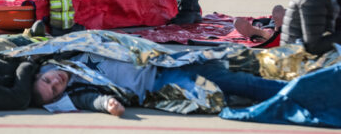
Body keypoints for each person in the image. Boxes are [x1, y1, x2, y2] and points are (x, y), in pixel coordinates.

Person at [32, 53, 286, 115]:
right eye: (55, 90)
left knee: (237, 80)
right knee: (215, 96)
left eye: (48, 80)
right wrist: (108, 104)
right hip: (160, 80)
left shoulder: (60, 55)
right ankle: (290, 98)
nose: (56, 82)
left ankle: (289, 91)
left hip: (167, 58)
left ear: (42, 72)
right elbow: (90, 100)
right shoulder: (76, 92)